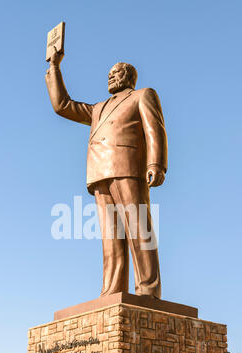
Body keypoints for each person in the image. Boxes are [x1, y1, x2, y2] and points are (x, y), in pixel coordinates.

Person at [45, 49, 168, 298]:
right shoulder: (98, 109)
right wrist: (55, 67)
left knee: (138, 228)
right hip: (100, 172)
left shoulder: (142, 95)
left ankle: (148, 288)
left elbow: (155, 129)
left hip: (129, 168)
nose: (111, 76)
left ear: (130, 76)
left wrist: (156, 164)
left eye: (117, 72)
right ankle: (112, 290)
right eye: (109, 74)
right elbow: (63, 106)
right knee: (111, 238)